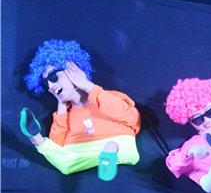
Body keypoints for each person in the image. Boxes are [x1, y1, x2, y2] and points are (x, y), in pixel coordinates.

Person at [21, 39, 141, 181]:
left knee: (128, 151)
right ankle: (35, 137)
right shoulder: (65, 115)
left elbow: (133, 119)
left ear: (74, 69)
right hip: (79, 155)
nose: (51, 86)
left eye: (53, 76)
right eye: (45, 84)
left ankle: (111, 148)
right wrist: (61, 104)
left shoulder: (108, 97)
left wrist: (86, 85)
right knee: (64, 163)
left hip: (116, 144)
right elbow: (57, 146)